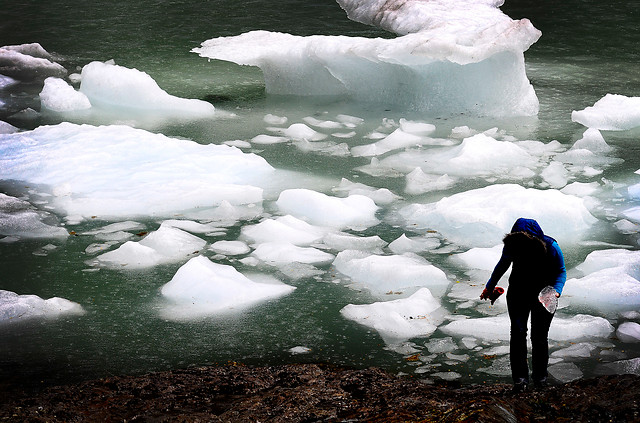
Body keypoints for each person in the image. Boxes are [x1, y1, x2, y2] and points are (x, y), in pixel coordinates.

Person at [480, 218, 566, 392]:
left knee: (539, 336)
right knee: (518, 333)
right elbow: (501, 266)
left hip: (546, 294)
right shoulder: (512, 245)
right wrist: (489, 287)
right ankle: (520, 380)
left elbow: (561, 271)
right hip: (518, 292)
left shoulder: (551, 246)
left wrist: (557, 290)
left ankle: (540, 379)